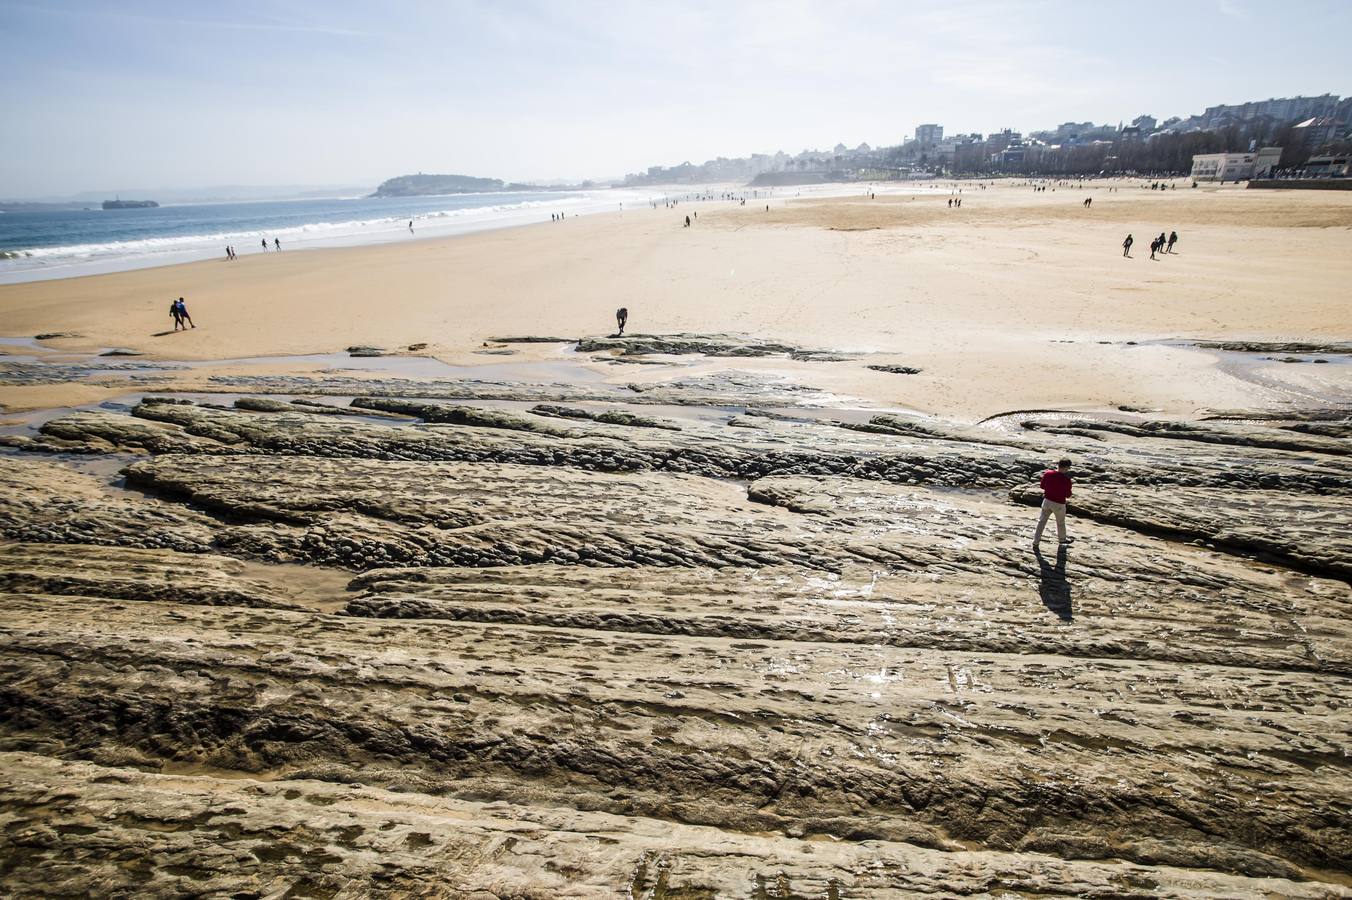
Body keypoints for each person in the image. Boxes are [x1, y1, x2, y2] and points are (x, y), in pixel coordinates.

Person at [1033, 458, 1073, 549]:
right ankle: (1062, 540)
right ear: (1066, 467)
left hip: (1047, 501)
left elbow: (1042, 486)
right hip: (1059, 504)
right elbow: (1068, 495)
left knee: (1041, 522)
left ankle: (1036, 542)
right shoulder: (1066, 480)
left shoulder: (1048, 473)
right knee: (1060, 523)